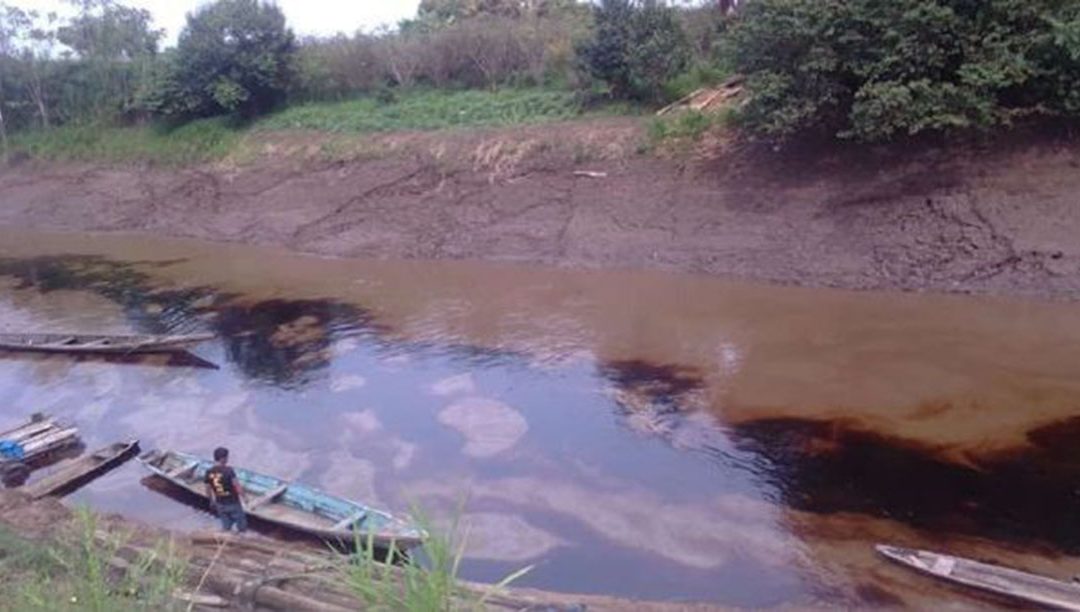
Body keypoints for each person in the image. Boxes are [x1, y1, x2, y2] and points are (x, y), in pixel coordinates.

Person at [205, 447, 247, 533]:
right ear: (223, 458)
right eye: (227, 457)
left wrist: (211, 501)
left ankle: (225, 540)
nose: (228, 459)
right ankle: (240, 542)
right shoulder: (229, 470)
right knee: (242, 527)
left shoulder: (209, 472)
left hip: (220, 504)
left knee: (226, 526)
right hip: (233, 503)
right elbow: (237, 486)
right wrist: (244, 497)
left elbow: (208, 489)